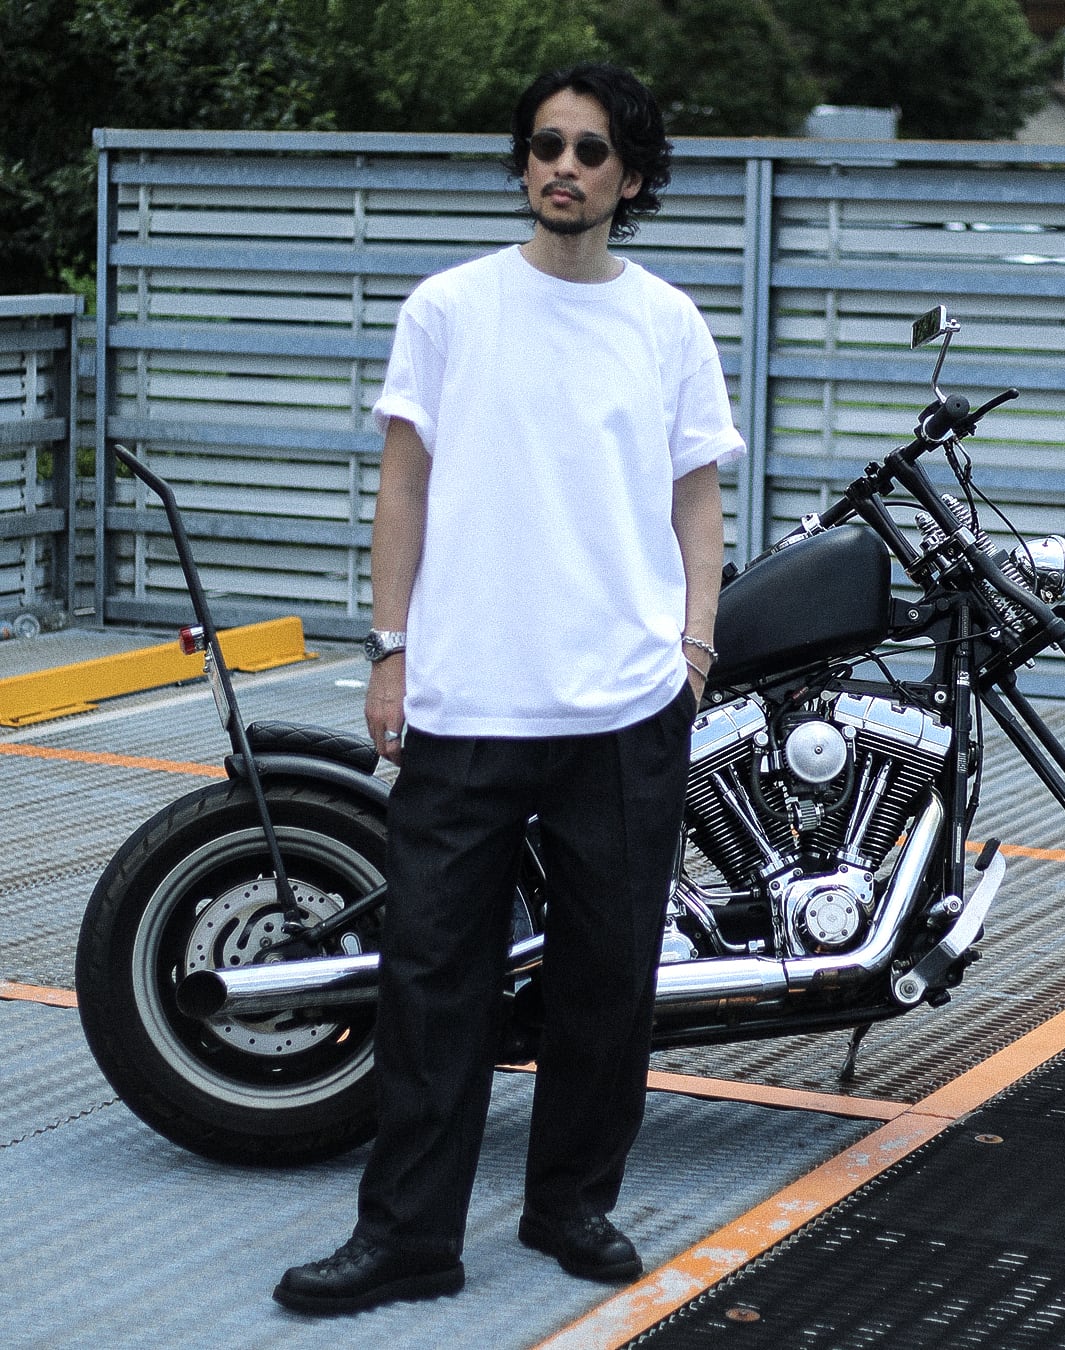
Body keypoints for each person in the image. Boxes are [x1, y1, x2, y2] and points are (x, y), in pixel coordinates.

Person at [273, 61, 746, 1317]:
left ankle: (569, 1202)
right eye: (546, 145)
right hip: (468, 700)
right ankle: (408, 1239)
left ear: (630, 178)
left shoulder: (667, 324)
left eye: (591, 150)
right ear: (523, 162)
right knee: (432, 980)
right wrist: (389, 647)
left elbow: (697, 499)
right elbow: (404, 484)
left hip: (624, 706)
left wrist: (694, 649)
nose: (564, 167)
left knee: (607, 979)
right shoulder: (449, 309)